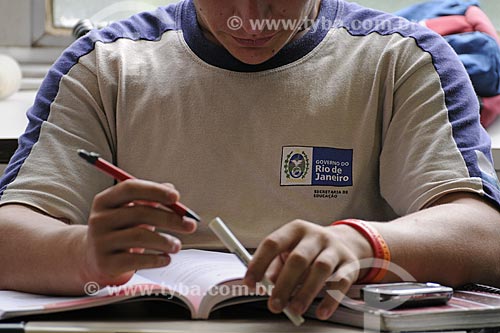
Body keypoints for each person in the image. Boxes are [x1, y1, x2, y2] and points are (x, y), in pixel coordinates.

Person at [1, 0, 500, 321]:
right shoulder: (107, 64)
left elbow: (484, 232)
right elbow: (9, 233)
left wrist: (362, 242)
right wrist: (83, 254)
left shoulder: (400, 58)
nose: (249, 14)